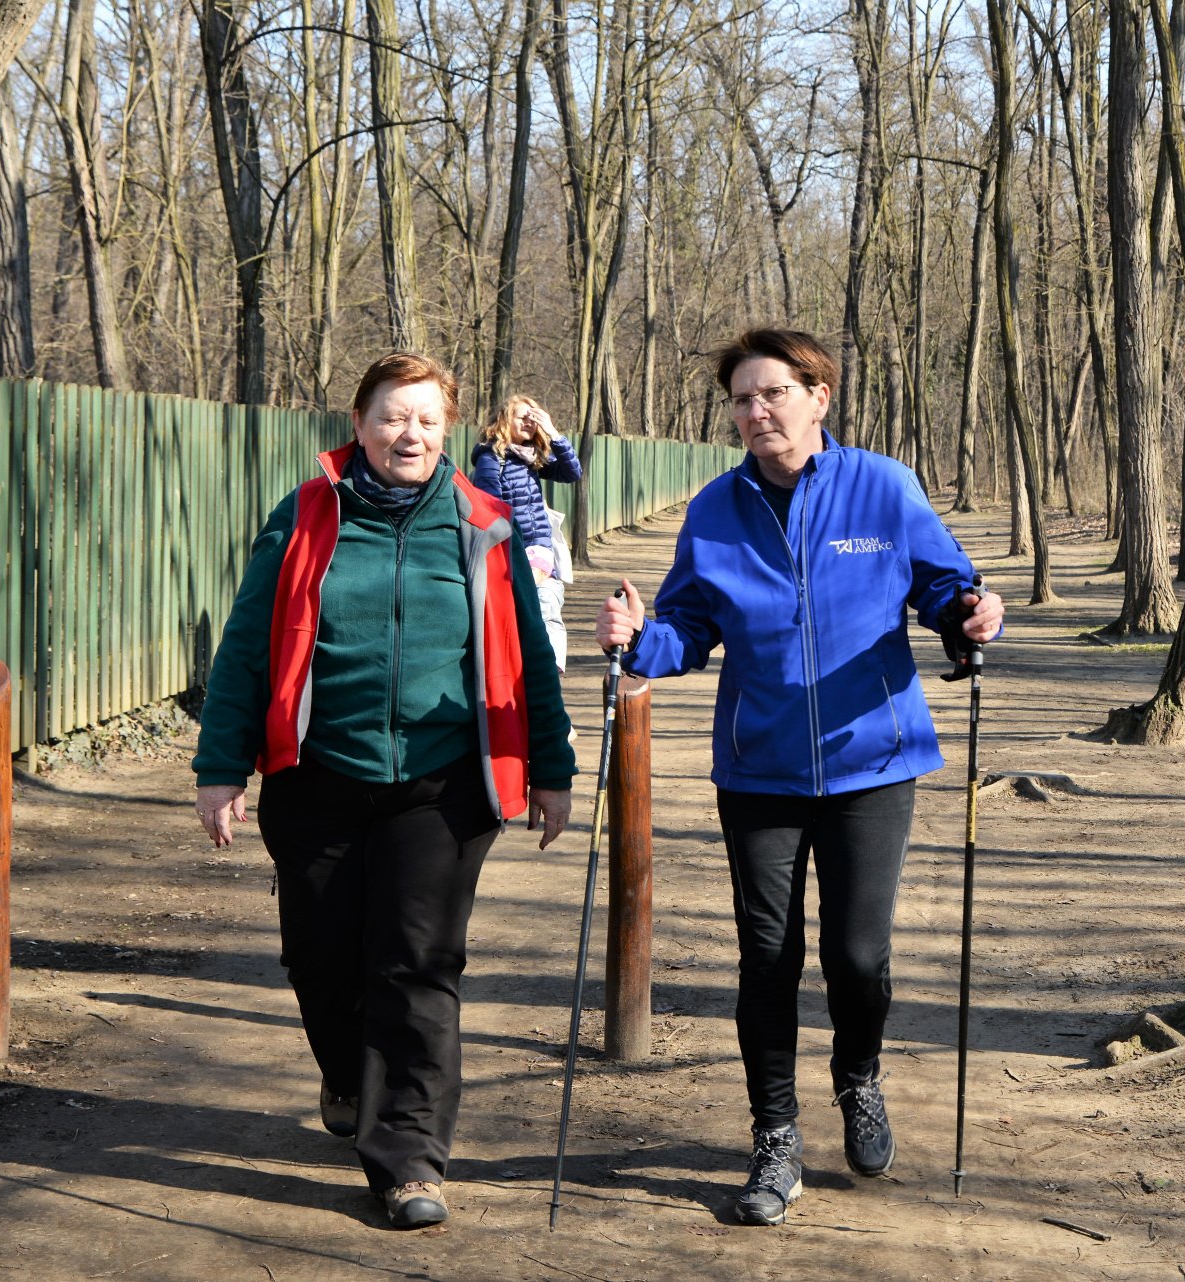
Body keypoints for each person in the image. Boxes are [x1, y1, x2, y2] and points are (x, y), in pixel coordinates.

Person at [594, 328, 1003, 1226]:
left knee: (858, 958)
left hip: (873, 761)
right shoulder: (715, 509)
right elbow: (688, 628)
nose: (756, 412)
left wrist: (973, 613)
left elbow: (944, 588)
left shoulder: (882, 488)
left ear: (819, 396)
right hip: (761, 773)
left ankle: (858, 1078)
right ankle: (775, 1137)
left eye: (773, 393)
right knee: (767, 960)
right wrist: (638, 642)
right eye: (742, 399)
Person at [192, 352, 575, 1231]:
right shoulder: (305, 517)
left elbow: (530, 663)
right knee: (322, 961)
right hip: (318, 776)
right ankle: (348, 1075)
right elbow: (250, 646)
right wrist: (220, 767)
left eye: (428, 420)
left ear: (450, 431)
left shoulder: (484, 524)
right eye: (393, 417)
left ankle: (408, 1161)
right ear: (359, 423)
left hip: (440, 789)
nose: (410, 435)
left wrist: (550, 770)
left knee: (416, 963)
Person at [470, 396, 581, 670]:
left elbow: (572, 472)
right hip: (515, 549)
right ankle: (525, 670)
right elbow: (489, 502)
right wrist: (509, 544)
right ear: (505, 419)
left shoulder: (531, 457)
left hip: (541, 548)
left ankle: (551, 671)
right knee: (529, 609)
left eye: (534, 419)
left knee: (548, 602)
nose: (530, 423)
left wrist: (553, 433)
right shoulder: (491, 456)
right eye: (523, 417)